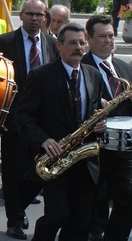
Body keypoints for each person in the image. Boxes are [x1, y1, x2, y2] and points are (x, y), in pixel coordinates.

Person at [14, 22, 107, 241]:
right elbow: (23, 116)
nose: (78, 47)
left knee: (81, 221)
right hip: (57, 159)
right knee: (56, 216)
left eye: (82, 43)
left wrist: (101, 124)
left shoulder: (93, 74)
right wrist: (43, 140)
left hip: (85, 162)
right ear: (59, 45)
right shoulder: (41, 75)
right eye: (72, 43)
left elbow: (97, 110)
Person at [0, 0, 58, 240]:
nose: (34, 19)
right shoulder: (6, 41)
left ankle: (20, 207)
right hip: (13, 117)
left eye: (39, 15)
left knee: (41, 171)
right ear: (21, 15)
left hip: (44, 120)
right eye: (29, 14)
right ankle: (15, 221)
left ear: (45, 18)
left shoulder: (52, 44)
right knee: (12, 171)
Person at [82, 14, 132, 241]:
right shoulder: (80, 66)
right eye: (102, 36)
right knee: (93, 201)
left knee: (127, 199)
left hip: (123, 149)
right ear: (89, 39)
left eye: (111, 36)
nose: (108, 41)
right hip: (93, 147)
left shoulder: (123, 67)